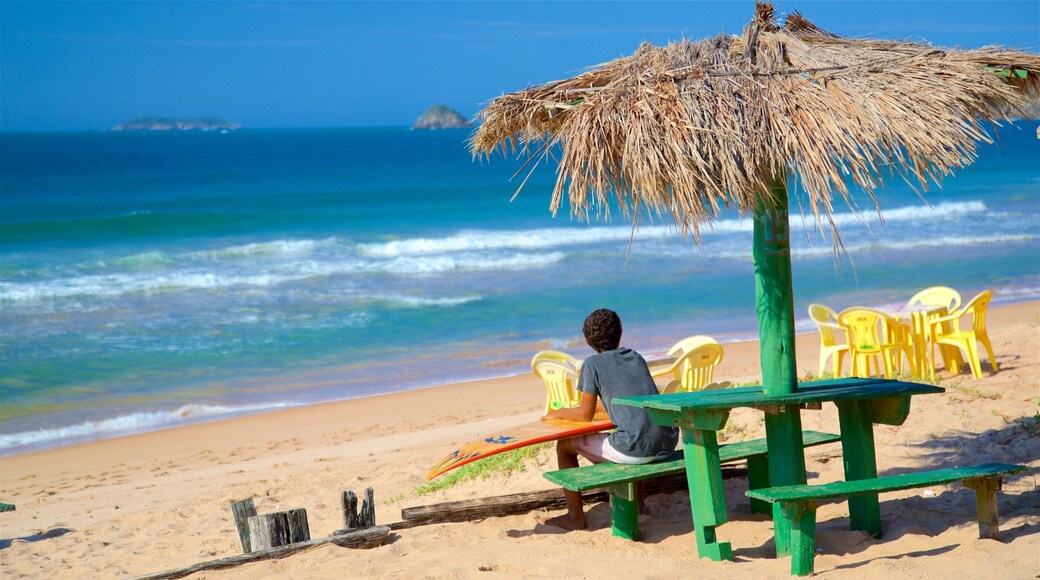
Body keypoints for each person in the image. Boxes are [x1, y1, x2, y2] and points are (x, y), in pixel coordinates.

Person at [540, 308, 679, 530]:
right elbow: (638, 403)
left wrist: (559, 412)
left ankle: (575, 517)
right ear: (620, 334)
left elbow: (584, 414)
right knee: (637, 428)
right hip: (667, 441)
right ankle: (639, 505)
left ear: (587, 341)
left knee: (564, 446)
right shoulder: (635, 357)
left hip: (635, 449)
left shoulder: (592, 364)